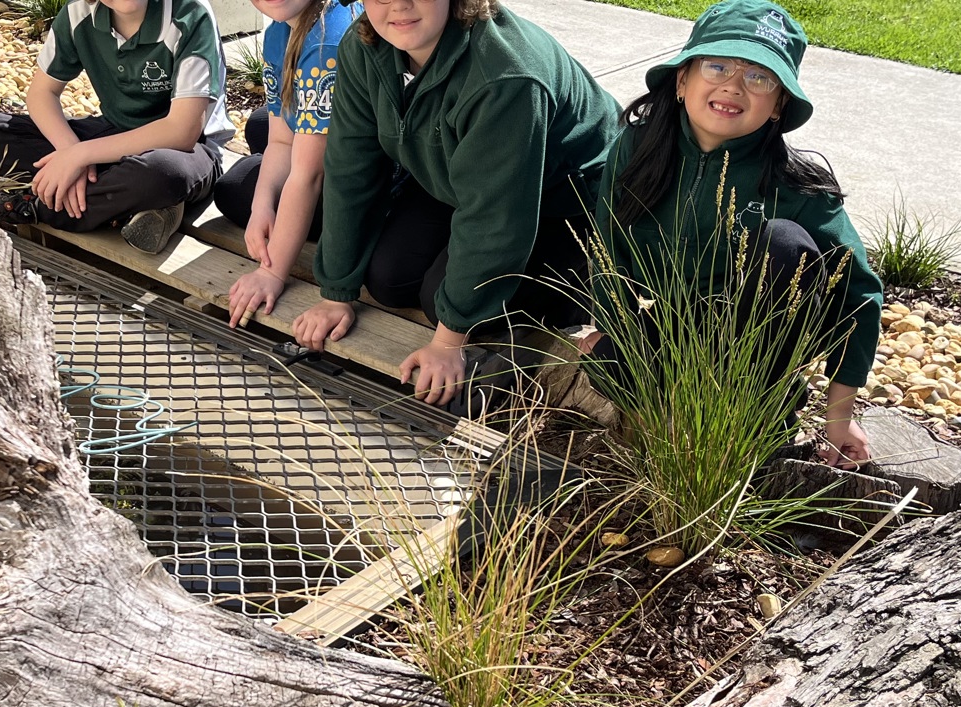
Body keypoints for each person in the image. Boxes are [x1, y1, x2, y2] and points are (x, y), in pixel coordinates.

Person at [585, 0, 883, 466]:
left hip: (753, 348)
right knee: (606, 362)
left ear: (779, 105)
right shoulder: (637, 147)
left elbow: (860, 294)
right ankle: (671, 423)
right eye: (717, 65)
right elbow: (607, 249)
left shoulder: (795, 184)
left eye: (759, 77)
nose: (732, 85)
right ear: (682, 80)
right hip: (674, 325)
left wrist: (838, 414)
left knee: (785, 242)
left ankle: (755, 404)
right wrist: (613, 328)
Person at [296, 0, 620, 409]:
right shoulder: (367, 43)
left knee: (446, 303)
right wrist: (336, 291)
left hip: (564, 204)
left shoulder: (506, 74)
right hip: (456, 175)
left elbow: (497, 218)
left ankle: (578, 288)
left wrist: (448, 342)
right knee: (388, 279)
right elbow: (351, 169)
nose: (398, 5)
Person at [0, 0, 236, 253]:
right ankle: (132, 205)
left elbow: (182, 131)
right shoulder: (78, 13)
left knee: (162, 174)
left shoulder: (190, 13)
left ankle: (30, 207)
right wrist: (70, 152)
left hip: (188, 150)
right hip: (113, 132)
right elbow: (42, 93)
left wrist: (81, 157)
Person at [210, 0, 361, 327]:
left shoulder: (327, 44)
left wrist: (271, 271)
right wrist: (262, 205)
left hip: (370, 183)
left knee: (235, 190)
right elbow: (280, 139)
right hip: (318, 154)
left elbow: (309, 174)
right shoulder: (281, 29)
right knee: (260, 130)